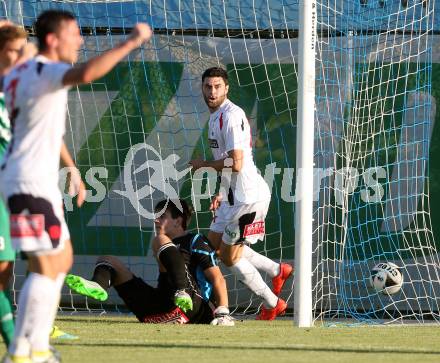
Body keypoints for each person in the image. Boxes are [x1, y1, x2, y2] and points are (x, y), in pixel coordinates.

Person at [0, 10, 152, 363]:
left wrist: (72, 169)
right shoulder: (45, 70)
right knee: (47, 264)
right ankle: (24, 350)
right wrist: (131, 41)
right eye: (74, 33)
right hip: (28, 182)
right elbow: (85, 73)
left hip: (33, 181)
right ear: (52, 40)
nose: (80, 40)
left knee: (61, 258)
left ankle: (32, 346)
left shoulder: (22, 70)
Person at [189, 67, 293, 320]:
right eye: (207, 87)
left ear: (226, 88)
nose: (212, 92)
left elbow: (236, 163)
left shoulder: (231, 116)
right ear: (202, 88)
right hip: (233, 197)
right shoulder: (215, 117)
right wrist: (222, 192)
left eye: (217, 87)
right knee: (211, 246)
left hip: (249, 199)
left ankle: (273, 302)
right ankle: (276, 270)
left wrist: (203, 165)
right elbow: (229, 165)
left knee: (228, 256)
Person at [65, 199, 234, 326]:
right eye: (156, 217)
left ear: (178, 220)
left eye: (162, 216)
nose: (156, 220)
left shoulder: (195, 240)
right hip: (162, 310)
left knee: (159, 239)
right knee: (107, 260)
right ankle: (99, 284)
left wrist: (223, 312)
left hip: (194, 308)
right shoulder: (164, 244)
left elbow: (218, 278)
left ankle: (181, 290)